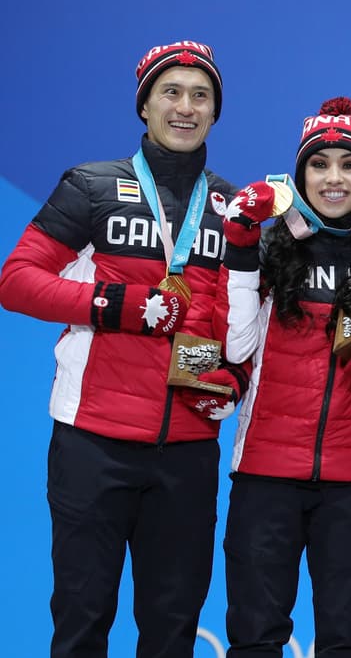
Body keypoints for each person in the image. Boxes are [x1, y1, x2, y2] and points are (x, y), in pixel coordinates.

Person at [0, 41, 238, 657]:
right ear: (144, 107)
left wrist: (233, 377)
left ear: (215, 112)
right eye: (171, 92)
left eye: (200, 96)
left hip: (187, 452)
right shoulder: (90, 185)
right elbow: (17, 281)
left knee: (172, 632)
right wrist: (114, 305)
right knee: (82, 624)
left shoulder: (232, 207)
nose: (185, 108)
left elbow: (244, 320)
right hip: (93, 443)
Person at [214, 97, 351, 656]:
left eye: (349, 165)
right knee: (254, 640)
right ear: (299, 174)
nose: (333, 178)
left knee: (348, 643)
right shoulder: (265, 251)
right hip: (264, 474)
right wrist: (242, 247)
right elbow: (234, 347)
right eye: (319, 164)